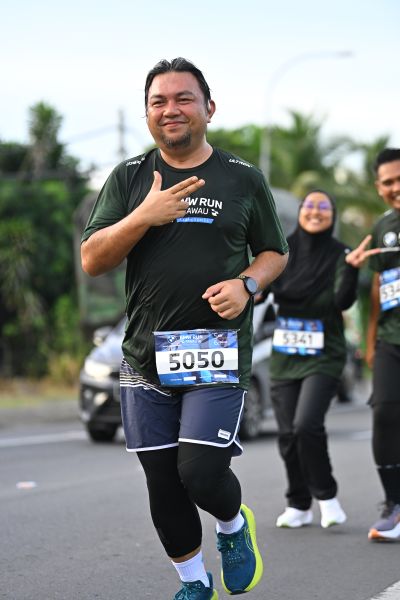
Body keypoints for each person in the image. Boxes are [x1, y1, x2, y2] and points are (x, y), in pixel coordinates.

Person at [81, 57, 289, 599]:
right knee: (162, 480)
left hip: (216, 352)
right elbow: (93, 260)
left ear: (208, 108)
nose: (170, 109)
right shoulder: (128, 178)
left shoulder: (243, 178)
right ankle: (194, 582)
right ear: (148, 113)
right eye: (159, 101)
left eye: (183, 98)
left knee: (199, 472)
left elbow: (274, 252)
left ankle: (232, 525)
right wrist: (142, 215)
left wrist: (247, 284)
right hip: (144, 358)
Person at [263, 190, 378, 530]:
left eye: (323, 207)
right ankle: (298, 504)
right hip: (285, 355)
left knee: (306, 425)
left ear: (333, 214)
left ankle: (327, 498)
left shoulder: (342, 254)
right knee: (287, 434)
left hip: (324, 355)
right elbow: (262, 290)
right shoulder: (280, 250)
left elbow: (342, 302)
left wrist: (352, 270)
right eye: (309, 206)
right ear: (300, 212)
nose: (315, 212)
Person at [366, 148, 400, 542]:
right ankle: (394, 503)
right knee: (385, 414)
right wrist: (371, 339)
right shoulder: (382, 228)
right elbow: (378, 287)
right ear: (379, 188)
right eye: (388, 182)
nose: (396, 187)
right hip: (391, 338)